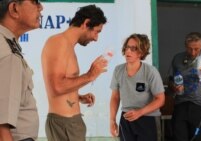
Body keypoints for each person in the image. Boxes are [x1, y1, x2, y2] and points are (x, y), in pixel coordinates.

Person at [41, 5, 107, 141]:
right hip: (64, 124)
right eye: (96, 32)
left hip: (70, 124)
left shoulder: (67, 45)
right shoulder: (58, 42)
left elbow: (61, 85)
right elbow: (57, 86)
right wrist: (90, 75)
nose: (96, 38)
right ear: (86, 23)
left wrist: (78, 97)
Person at [0, 1, 43, 141]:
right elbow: (2, 126)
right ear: (14, 9)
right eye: (35, 2)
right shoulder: (8, 51)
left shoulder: (7, 43)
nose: (41, 7)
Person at [109, 34, 165, 141]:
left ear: (142, 52)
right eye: (127, 47)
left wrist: (140, 112)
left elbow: (160, 99)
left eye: (133, 48)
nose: (128, 51)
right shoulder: (118, 70)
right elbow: (115, 97)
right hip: (126, 118)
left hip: (148, 118)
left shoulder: (150, 72)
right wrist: (112, 120)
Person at [168, 32, 201, 141]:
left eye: (196, 49)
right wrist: (174, 87)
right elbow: (170, 80)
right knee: (179, 137)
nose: (193, 52)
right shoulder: (177, 58)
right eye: (190, 48)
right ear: (185, 45)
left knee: (198, 138)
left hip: (200, 105)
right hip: (181, 103)